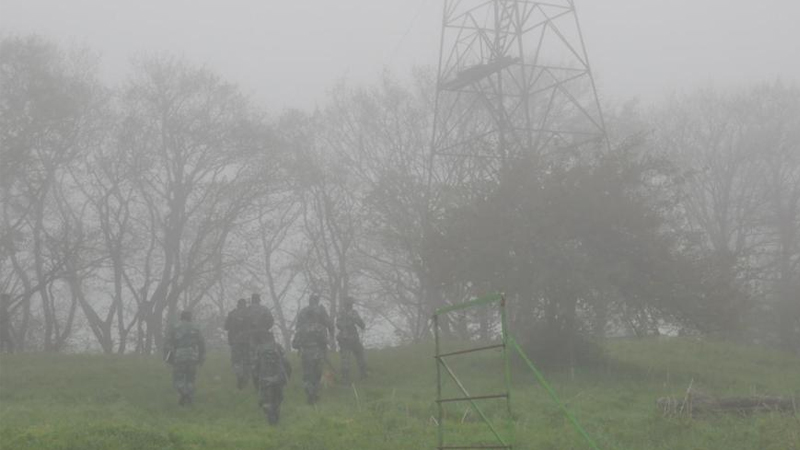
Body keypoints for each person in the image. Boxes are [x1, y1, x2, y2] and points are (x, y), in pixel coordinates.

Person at [292, 293, 333, 404]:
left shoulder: (302, 321)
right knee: (317, 374)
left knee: (307, 376)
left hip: (306, 354)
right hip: (318, 353)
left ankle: (310, 394)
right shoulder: (320, 326)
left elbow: (294, 344)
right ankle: (315, 393)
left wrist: (301, 344)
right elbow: (325, 339)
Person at [164, 310, 206, 406]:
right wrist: (201, 357)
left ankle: (183, 393)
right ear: (190, 317)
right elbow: (201, 344)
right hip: (192, 356)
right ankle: (189, 399)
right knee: (190, 379)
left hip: (179, 356)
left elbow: (168, 344)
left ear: (181, 317)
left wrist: (168, 357)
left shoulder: (175, 327)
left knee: (178, 379)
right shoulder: (196, 328)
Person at [253, 328, 291, 425]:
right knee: (278, 399)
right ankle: (276, 417)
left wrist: (256, 381)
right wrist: (288, 375)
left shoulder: (259, 349)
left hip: (265, 378)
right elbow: (286, 362)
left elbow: (255, 366)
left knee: (267, 400)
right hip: (279, 377)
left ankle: (271, 418)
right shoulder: (278, 347)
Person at [336, 296, 367, 383]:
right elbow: (361, 324)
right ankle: (361, 376)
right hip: (350, 339)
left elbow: (338, 324)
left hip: (347, 339)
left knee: (347, 359)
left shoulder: (341, 313)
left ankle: (347, 379)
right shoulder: (351, 313)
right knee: (357, 357)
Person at [247, 293, 275, 389]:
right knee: (266, 356)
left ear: (252, 300)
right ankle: (266, 377)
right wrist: (265, 328)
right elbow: (271, 321)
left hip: (251, 336)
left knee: (253, 358)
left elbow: (243, 324)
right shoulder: (265, 309)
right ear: (259, 300)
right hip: (264, 335)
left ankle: (256, 380)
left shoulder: (247, 310)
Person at [224, 298, 250, 389]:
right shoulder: (249, 313)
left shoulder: (232, 313)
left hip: (235, 341)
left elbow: (226, 327)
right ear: (245, 305)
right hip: (247, 342)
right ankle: (245, 379)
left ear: (237, 305)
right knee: (247, 361)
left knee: (236, 361)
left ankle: (239, 375)